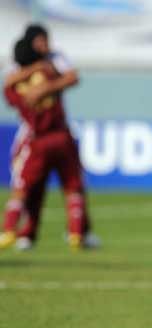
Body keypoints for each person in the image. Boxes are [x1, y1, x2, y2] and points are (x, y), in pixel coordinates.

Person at [1, 24, 98, 251]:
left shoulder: (15, 85)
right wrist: (46, 81)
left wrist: (37, 89)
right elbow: (68, 78)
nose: (46, 45)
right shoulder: (49, 70)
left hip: (37, 138)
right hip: (59, 135)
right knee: (72, 185)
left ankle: (8, 230)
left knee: (22, 187)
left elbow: (9, 90)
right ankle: (73, 233)